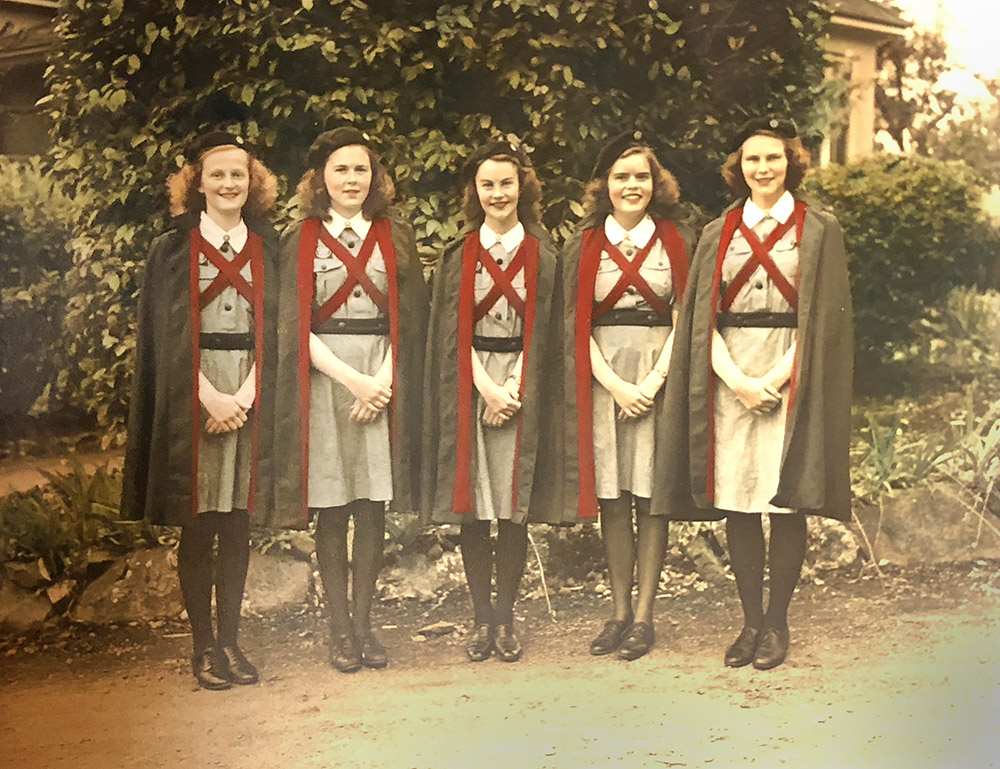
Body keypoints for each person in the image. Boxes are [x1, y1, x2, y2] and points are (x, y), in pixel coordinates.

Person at [652, 116, 854, 670]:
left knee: (784, 499)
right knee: (739, 501)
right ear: (738, 169)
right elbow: (700, 319)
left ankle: (778, 622)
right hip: (731, 374)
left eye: (773, 158)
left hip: (793, 371)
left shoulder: (819, 228)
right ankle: (749, 622)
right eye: (752, 160)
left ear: (792, 162)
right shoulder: (719, 230)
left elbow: (825, 319)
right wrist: (737, 379)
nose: (763, 169)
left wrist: (778, 377)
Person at [122, 130, 284, 690]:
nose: (229, 184)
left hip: (248, 391)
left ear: (252, 181)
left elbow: (279, 329)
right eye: (217, 174)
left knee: (236, 522)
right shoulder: (171, 249)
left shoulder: (269, 247)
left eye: (238, 174)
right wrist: (208, 396)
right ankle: (202, 647)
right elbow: (162, 339)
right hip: (193, 394)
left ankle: (233, 642)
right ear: (198, 184)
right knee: (199, 524)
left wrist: (245, 394)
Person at [275, 127, 427, 673]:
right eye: (340, 170)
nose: (351, 180)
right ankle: (339, 630)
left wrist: (381, 382)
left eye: (360, 169)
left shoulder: (395, 235)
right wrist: (351, 381)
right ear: (321, 179)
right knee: (334, 510)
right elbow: (292, 322)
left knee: (372, 510)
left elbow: (408, 317)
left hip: (383, 377)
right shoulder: (302, 238)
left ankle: (365, 626)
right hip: (327, 380)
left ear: (374, 177)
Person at [421, 139, 559, 662]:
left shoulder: (544, 253)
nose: (498, 194)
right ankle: (481, 618)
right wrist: (486, 388)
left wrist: (514, 390)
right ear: (474, 192)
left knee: (512, 508)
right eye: (487, 185)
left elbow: (546, 332)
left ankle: (506, 619)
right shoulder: (460, 255)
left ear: (522, 187)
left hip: (522, 383)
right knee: (476, 509)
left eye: (506, 183)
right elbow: (451, 333)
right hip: (472, 384)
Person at [558, 132, 692, 661]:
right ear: (604, 186)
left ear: (655, 184)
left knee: (650, 495)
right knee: (613, 495)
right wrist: (614, 384)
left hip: (659, 370)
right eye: (621, 177)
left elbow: (686, 315)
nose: (632, 185)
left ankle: (644, 617)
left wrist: (654, 382)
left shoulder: (680, 240)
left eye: (641, 176)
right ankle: (616, 612)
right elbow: (575, 322)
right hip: (604, 376)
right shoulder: (584, 243)